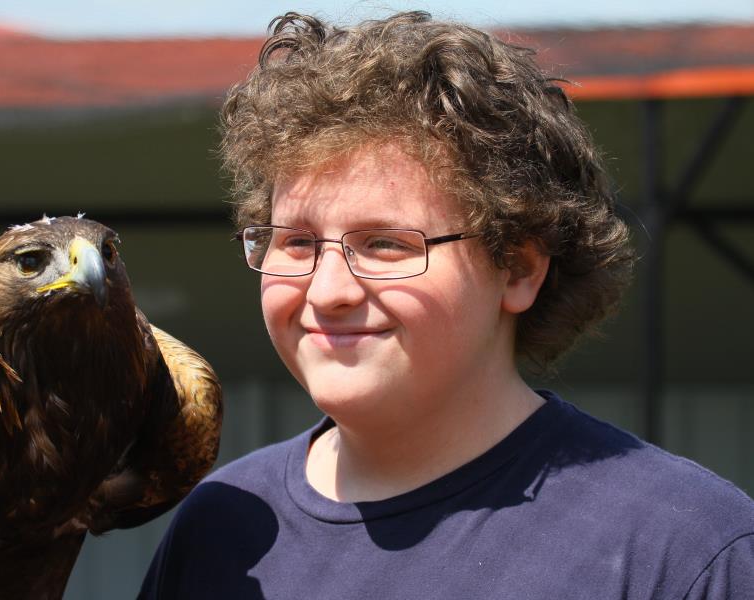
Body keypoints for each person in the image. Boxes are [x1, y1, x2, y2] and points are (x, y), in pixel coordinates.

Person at [139, 11, 754, 599]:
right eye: (296, 242)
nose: (327, 291)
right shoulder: (220, 527)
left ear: (519, 268)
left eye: (385, 244)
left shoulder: (686, 552)